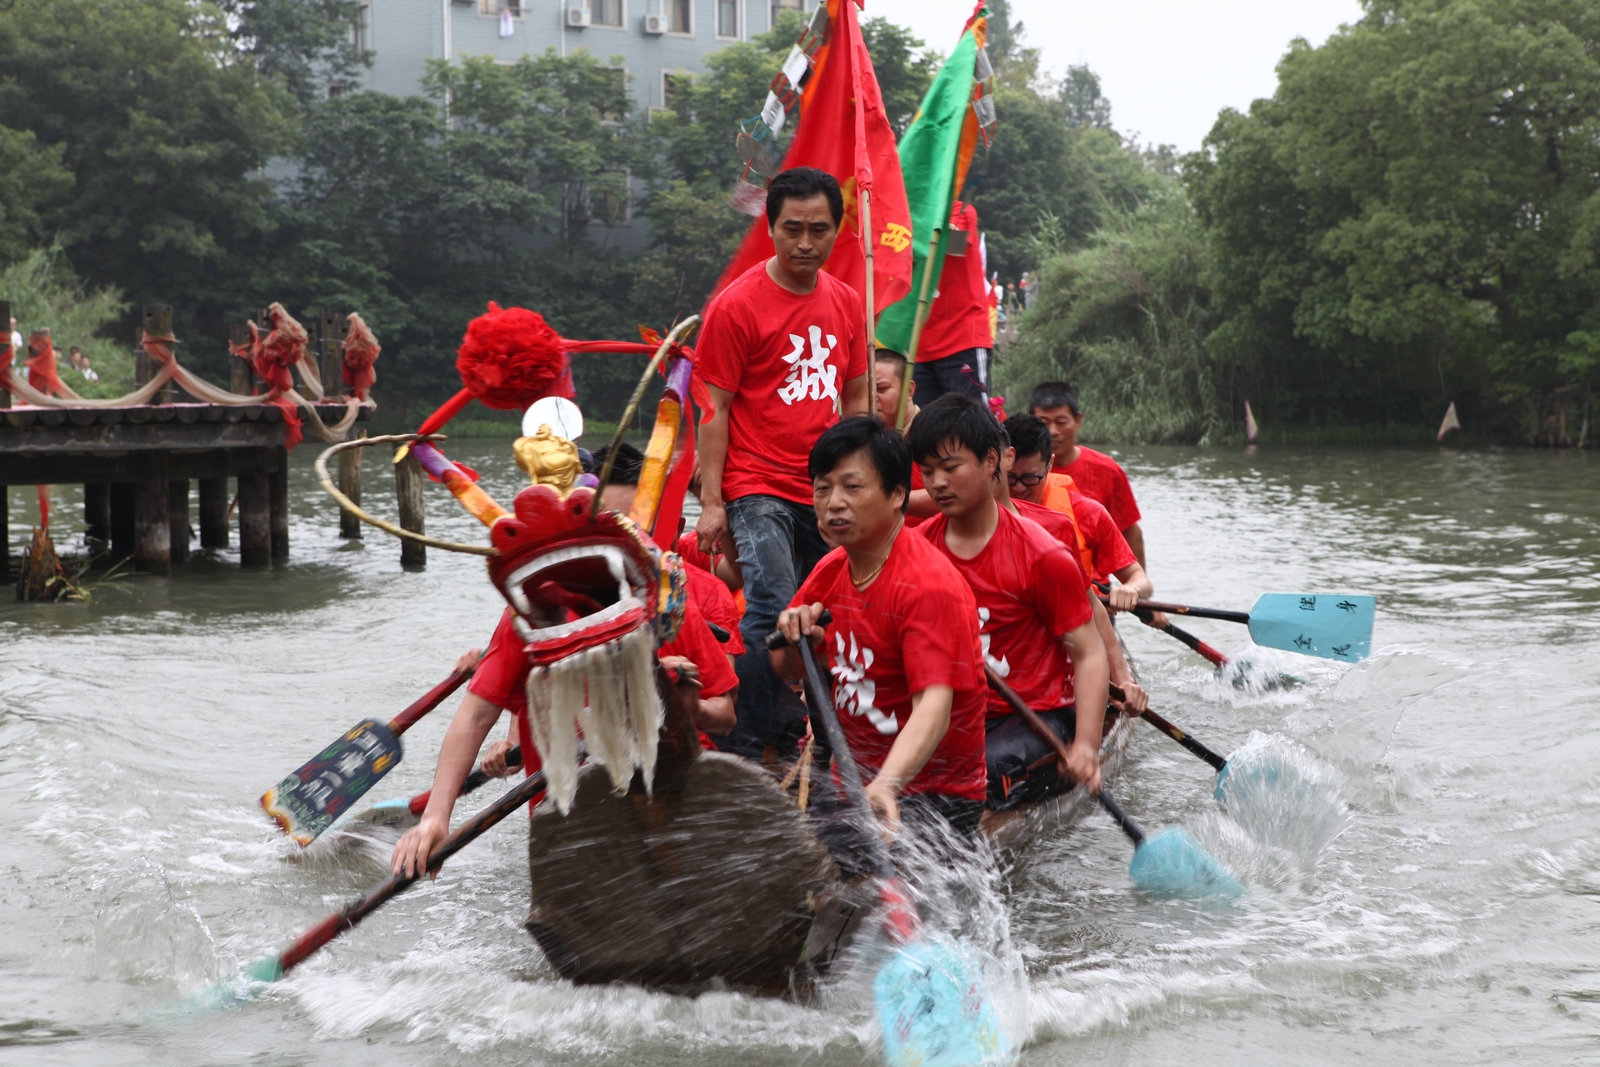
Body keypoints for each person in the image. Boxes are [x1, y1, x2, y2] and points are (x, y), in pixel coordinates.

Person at [392, 462, 740, 879]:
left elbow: (727, 715)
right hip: (569, 815)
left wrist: (690, 707)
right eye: (609, 523)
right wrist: (436, 817)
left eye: (632, 525)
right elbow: (476, 713)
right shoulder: (534, 616)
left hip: (677, 800)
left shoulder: (673, 601)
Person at [695, 166, 871, 760]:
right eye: (791, 228)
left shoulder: (846, 303)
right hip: (757, 485)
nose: (804, 242)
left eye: (818, 230)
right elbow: (713, 408)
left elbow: (856, 399)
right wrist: (714, 502)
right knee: (773, 602)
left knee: (837, 609)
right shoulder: (736, 306)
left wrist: (867, 482)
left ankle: (824, 738)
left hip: (825, 490)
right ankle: (742, 753)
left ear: (836, 233)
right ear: (770, 227)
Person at [773, 415, 988, 844]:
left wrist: (888, 785)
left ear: (896, 495)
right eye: (822, 488)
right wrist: (796, 639)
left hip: (934, 793)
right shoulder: (831, 568)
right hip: (851, 779)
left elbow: (934, 706)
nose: (833, 502)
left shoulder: (927, 585)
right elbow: (785, 668)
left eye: (852, 487)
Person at [904, 393, 1109, 810]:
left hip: (1033, 716)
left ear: (992, 461)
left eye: (950, 467)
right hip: (952, 715)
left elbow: (1089, 654)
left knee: (977, 775)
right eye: (927, 471)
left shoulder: (1042, 554)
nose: (937, 482)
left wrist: (1087, 746)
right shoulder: (915, 549)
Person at [910, 201, 992, 405]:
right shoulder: (902, 214)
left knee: (971, 422)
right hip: (917, 347)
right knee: (921, 427)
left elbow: (954, 245)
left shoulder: (960, 210)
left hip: (961, 339)